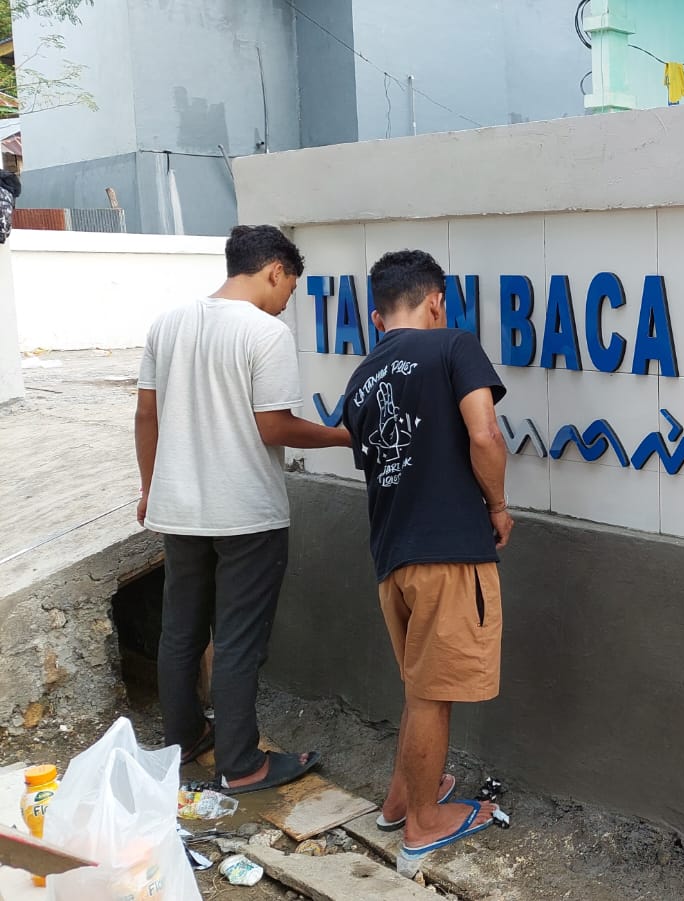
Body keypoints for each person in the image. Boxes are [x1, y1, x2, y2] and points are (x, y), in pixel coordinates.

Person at [135, 225, 349, 794]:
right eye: (290, 289)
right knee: (237, 640)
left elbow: (146, 416)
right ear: (275, 270)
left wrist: (149, 489)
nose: (286, 303)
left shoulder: (168, 323)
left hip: (179, 508)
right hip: (247, 514)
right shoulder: (265, 332)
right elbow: (274, 426)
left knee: (180, 630)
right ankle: (241, 764)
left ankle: (184, 739)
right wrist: (342, 436)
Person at [340, 249, 511, 868]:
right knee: (434, 694)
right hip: (448, 552)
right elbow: (484, 434)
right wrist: (498, 505)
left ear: (377, 316)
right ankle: (423, 822)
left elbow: (380, 464)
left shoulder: (361, 378)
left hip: (393, 556)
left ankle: (400, 801)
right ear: (437, 301)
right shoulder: (453, 345)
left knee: (421, 688)